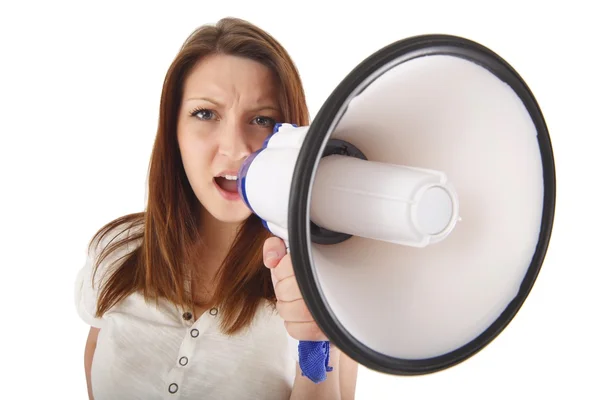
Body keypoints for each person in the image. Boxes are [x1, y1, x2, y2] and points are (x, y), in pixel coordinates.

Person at [74, 16, 359, 400]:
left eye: (262, 120)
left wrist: (315, 343)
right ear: (173, 130)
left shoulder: (324, 285)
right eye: (205, 114)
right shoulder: (118, 251)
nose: (236, 148)